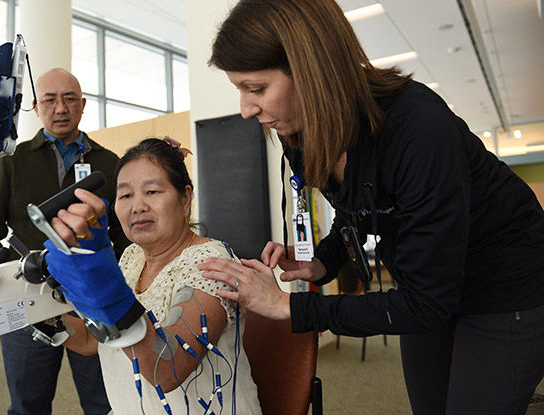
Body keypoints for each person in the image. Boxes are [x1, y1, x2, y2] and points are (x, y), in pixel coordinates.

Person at [198, 1, 544, 414]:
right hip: (427, 286)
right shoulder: (302, 135)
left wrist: (288, 306)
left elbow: (426, 302)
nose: (246, 109)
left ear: (312, 70)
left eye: (255, 89)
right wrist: (323, 259)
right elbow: (358, 207)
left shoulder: (419, 128)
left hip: (504, 285)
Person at [47, 138, 262, 414]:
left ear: (185, 199)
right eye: (125, 196)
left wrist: (104, 288)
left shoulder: (212, 264)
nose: (138, 206)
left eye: (152, 191)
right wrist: (44, 318)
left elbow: (168, 369)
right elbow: (96, 340)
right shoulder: (130, 258)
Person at [0, 68, 129, 415]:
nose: (60, 108)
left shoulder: (109, 163)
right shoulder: (13, 161)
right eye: (50, 100)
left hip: (93, 301)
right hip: (27, 303)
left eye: (70, 99)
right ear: (36, 107)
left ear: (83, 105)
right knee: (28, 404)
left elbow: (123, 235)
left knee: (105, 403)